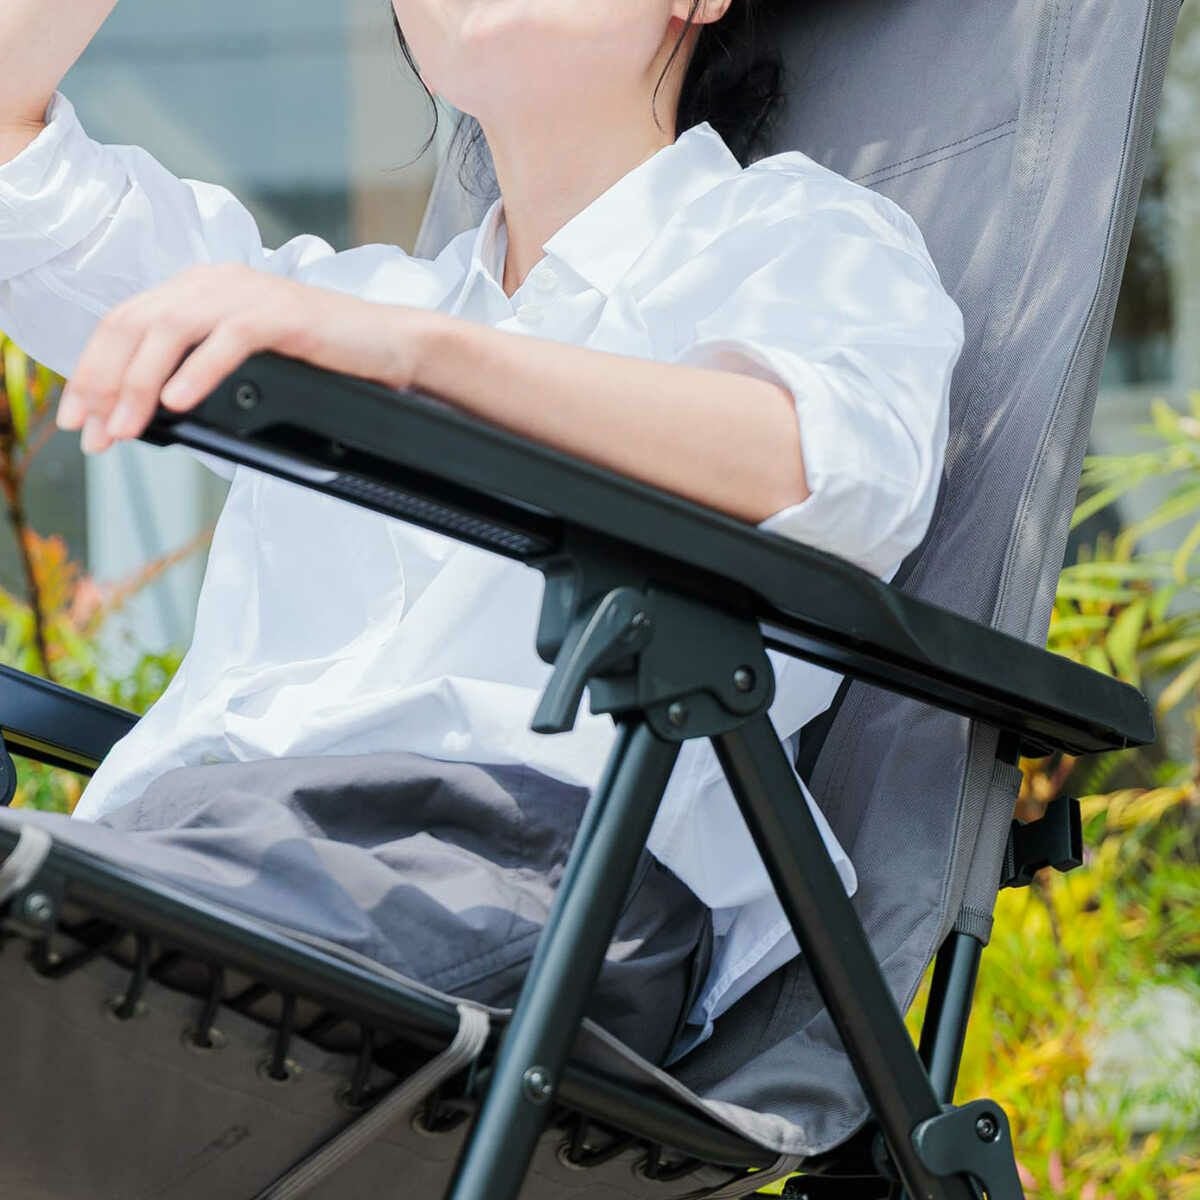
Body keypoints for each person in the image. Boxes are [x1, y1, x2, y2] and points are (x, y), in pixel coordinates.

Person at [0, 0, 964, 1064]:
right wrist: (380, 335)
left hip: (525, 876)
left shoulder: (800, 238)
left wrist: (418, 355)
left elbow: (821, 465)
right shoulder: (325, 308)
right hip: (188, 855)